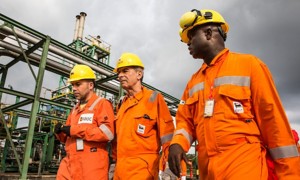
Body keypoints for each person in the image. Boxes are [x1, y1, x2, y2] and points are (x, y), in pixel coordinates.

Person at [168, 9, 300, 179]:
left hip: (244, 166)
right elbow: (184, 122)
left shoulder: (249, 66)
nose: (187, 43)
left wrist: (290, 175)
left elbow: (273, 122)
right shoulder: (193, 82)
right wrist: (177, 144)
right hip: (209, 170)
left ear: (209, 33)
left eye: (191, 36)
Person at [111, 52, 175, 179]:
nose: (120, 75)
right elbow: (116, 142)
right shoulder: (121, 105)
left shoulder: (154, 98)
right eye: (119, 72)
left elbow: (168, 136)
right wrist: (113, 167)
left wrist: (170, 168)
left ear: (139, 74)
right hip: (120, 171)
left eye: (125, 71)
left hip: (144, 171)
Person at [54, 64, 115, 180]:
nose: (74, 88)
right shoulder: (75, 109)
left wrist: (73, 130)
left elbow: (108, 133)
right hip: (70, 162)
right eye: (72, 85)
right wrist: (59, 132)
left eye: (78, 84)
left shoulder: (102, 104)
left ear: (91, 85)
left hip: (92, 165)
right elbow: (66, 137)